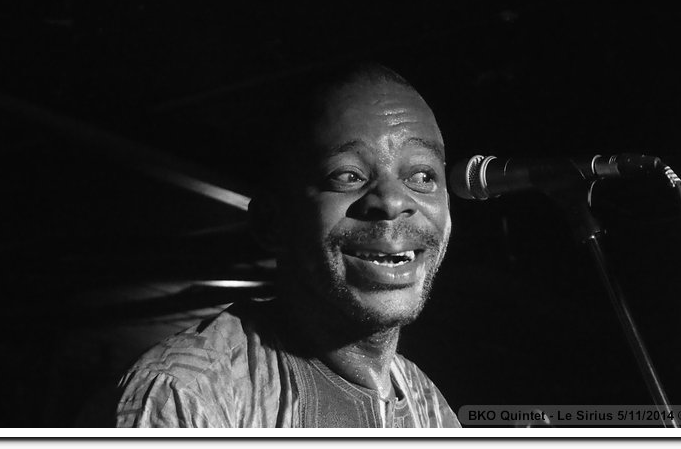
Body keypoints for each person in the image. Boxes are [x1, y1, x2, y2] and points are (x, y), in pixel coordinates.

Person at [115, 63, 460, 428]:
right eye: (348, 176)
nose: (392, 201)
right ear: (273, 223)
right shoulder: (188, 393)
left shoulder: (431, 409)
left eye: (422, 176)